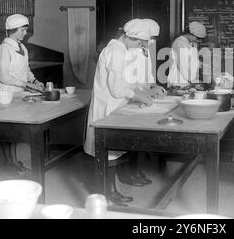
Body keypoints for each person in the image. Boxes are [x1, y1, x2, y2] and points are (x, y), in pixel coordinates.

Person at [84, 18, 159, 205]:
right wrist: (139, 96)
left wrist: (141, 92)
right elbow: (117, 89)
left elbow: (124, 82)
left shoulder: (121, 50)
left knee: (113, 151)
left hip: (116, 106)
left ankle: (109, 190)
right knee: (108, 153)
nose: (139, 47)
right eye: (139, 43)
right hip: (108, 108)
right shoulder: (115, 52)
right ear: (129, 37)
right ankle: (108, 192)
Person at [0, 14, 44, 174]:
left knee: (14, 130)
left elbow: (25, 70)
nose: (25, 33)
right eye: (23, 30)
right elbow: (3, 76)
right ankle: (10, 162)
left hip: (17, 92)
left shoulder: (22, 48)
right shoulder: (4, 48)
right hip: (5, 93)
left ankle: (13, 161)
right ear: (13, 30)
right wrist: (25, 84)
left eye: (25, 30)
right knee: (6, 131)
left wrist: (34, 81)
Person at [167, 21, 207, 88]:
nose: (198, 41)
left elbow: (192, 61)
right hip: (178, 82)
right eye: (197, 38)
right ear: (191, 33)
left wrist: (202, 65)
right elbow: (182, 65)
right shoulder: (179, 43)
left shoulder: (192, 43)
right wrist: (193, 81)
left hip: (188, 82)